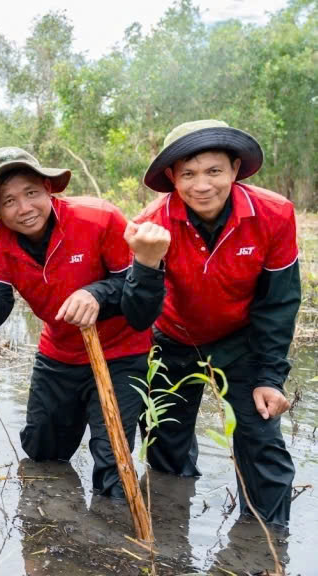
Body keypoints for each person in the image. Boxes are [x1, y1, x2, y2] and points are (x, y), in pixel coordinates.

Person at [0, 147, 170, 498]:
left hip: (120, 352)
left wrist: (96, 294)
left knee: (113, 465)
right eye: (9, 201)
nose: (24, 208)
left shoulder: (99, 217)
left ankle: (113, 528)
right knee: (42, 454)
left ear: (48, 189)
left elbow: (137, 301)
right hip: (59, 352)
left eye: (31, 193)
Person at [135, 119, 300, 526]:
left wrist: (270, 377)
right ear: (172, 178)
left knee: (261, 437)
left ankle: (265, 542)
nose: (202, 186)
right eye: (188, 174)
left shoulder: (274, 214)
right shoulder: (151, 224)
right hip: (173, 338)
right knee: (164, 442)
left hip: (241, 340)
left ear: (235, 169)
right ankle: (169, 536)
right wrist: (146, 264)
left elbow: (278, 303)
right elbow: (138, 313)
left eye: (214, 171)